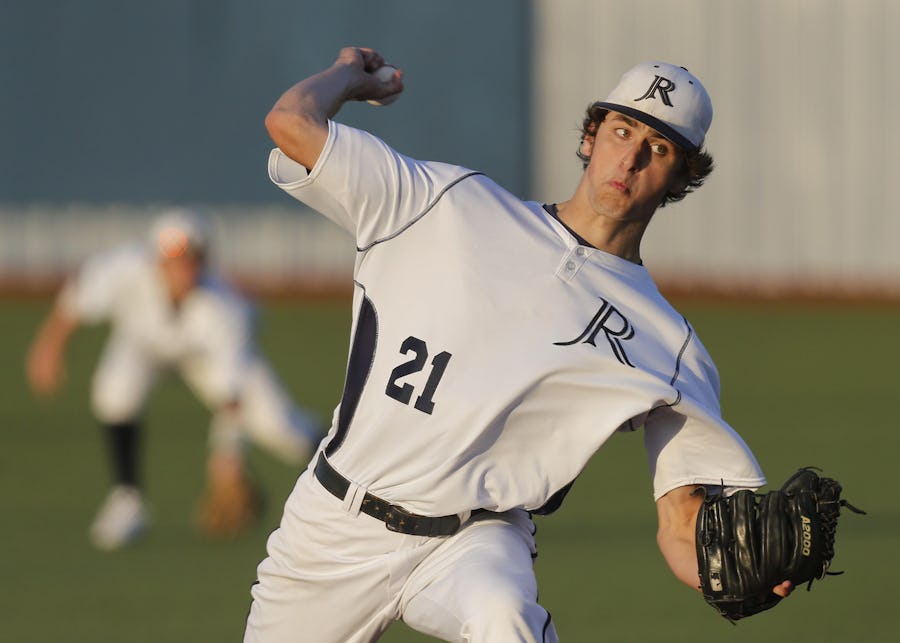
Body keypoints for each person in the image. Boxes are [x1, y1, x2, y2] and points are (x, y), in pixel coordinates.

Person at [243, 47, 793, 642]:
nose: (630, 157)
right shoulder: (446, 201)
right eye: (622, 130)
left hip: (473, 540)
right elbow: (290, 122)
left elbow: (681, 522)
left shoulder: (669, 347)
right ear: (590, 136)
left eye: (658, 149)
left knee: (504, 618)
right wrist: (348, 75)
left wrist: (720, 576)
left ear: (683, 177)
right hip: (332, 525)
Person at [26, 208, 323, 550]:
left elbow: (232, 393)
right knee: (114, 392)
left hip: (202, 358)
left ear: (205, 262)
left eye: (192, 260)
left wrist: (227, 459)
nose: (184, 269)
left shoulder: (225, 307)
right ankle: (127, 501)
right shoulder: (127, 268)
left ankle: (334, 473)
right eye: (175, 260)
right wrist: (48, 348)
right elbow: (78, 295)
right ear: (157, 259)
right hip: (143, 345)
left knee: (281, 427)